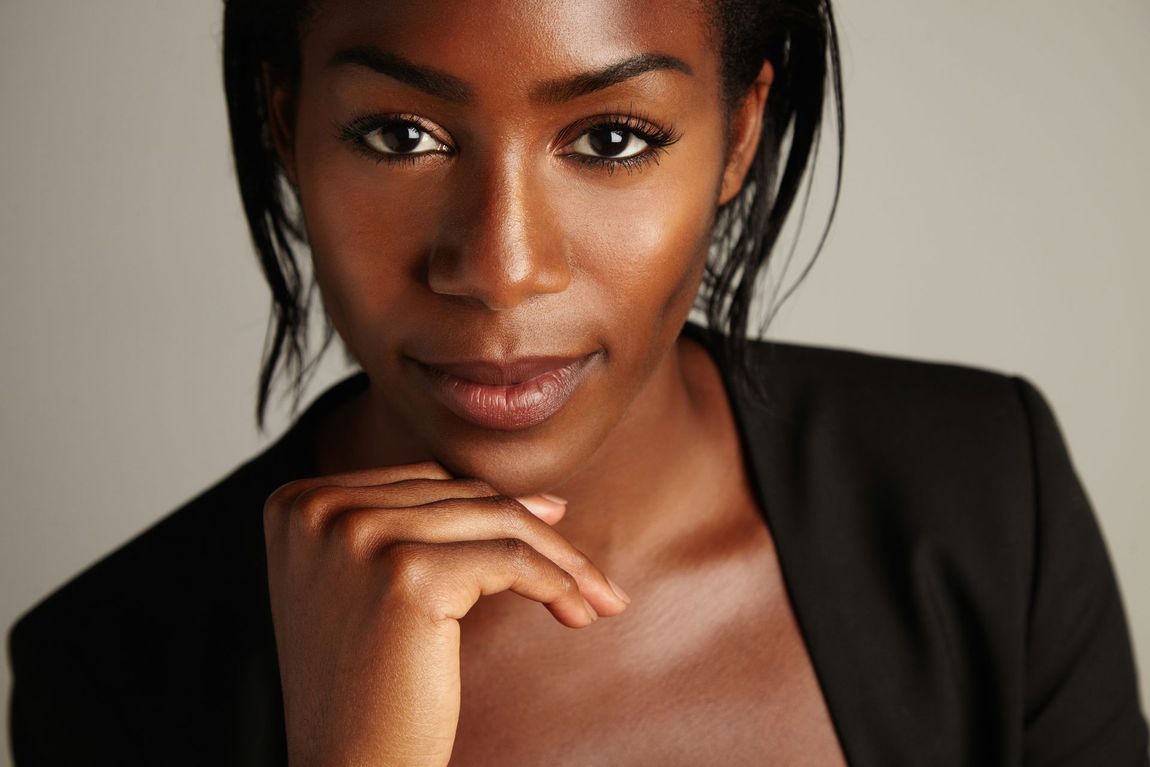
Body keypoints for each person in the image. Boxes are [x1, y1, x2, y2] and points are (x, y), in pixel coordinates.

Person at [7, 0, 1148, 764]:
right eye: (400, 134)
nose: (501, 270)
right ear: (286, 122)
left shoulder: (983, 486)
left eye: (609, 138)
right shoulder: (111, 674)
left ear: (740, 135)